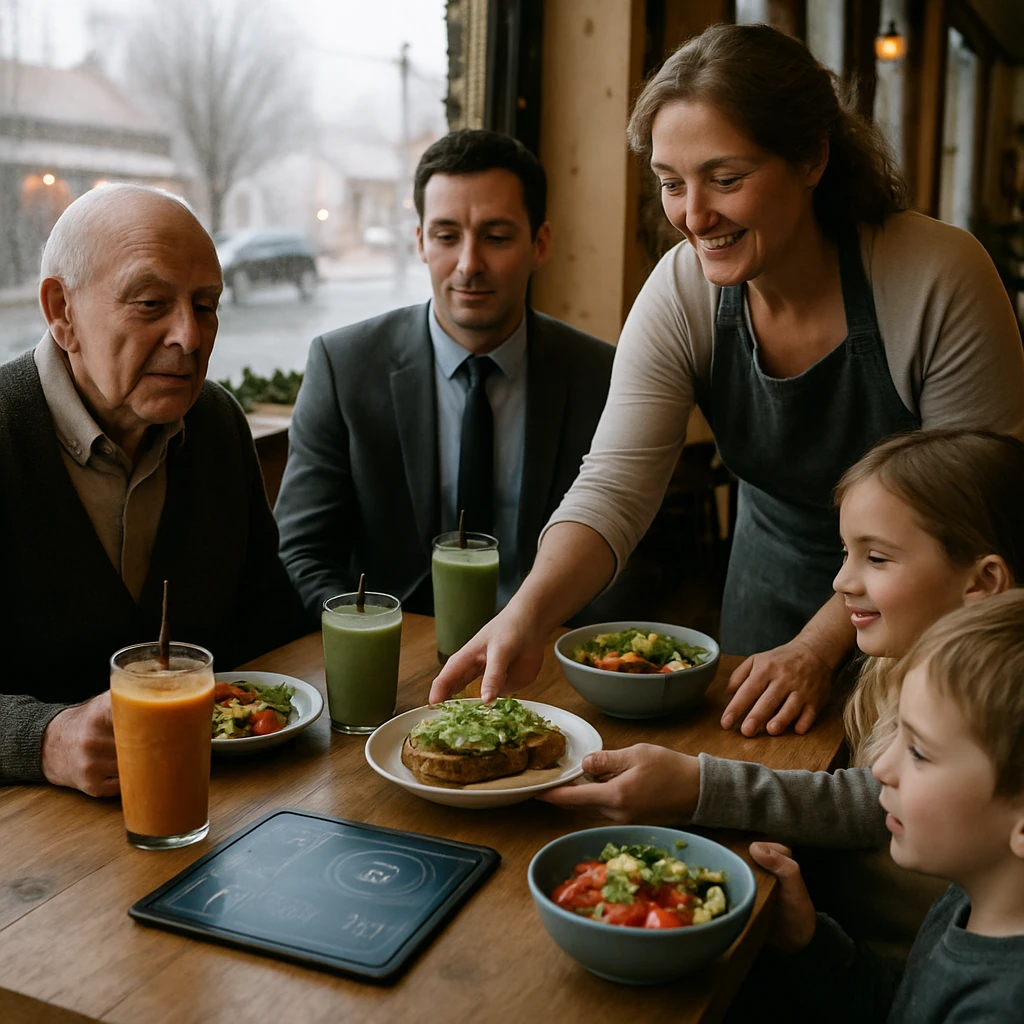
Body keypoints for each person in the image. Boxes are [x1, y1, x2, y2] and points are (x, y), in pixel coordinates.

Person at [430, 24, 1024, 736]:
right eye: (671, 184)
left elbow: (971, 514)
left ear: (811, 157)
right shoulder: (683, 291)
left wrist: (817, 645)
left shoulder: (937, 277)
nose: (694, 216)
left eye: (726, 179)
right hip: (765, 590)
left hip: (924, 617)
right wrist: (524, 615)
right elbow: (614, 485)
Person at [541, 429, 1024, 956]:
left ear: (982, 583)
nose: (841, 581)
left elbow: (864, 802)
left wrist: (697, 786)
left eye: (877, 558)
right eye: (846, 553)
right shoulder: (892, 665)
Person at [0, 184, 304, 796]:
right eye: (149, 303)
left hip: (213, 805)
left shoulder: (216, 425)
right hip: (32, 850)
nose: (189, 338)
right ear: (61, 311)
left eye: (207, 305)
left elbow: (268, 623)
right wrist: (42, 739)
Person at [275, 129, 616, 621]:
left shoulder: (601, 378)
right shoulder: (344, 366)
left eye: (496, 237)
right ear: (420, 242)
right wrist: (368, 634)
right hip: (391, 653)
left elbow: (628, 561)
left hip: (548, 656)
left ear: (540, 244)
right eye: (446, 236)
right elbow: (301, 553)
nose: (468, 265)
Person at [748, 590, 1024, 1023]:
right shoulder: (969, 899)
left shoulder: (999, 1008)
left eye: (920, 752)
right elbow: (902, 1005)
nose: (882, 769)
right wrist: (812, 942)